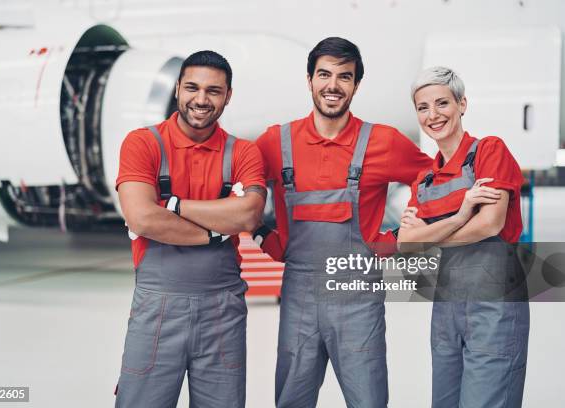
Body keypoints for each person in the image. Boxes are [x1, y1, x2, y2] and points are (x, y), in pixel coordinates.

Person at [254, 37, 433, 408]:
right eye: (324, 74)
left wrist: (401, 234)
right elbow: (240, 188)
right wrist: (264, 238)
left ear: (356, 85)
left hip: (357, 297)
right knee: (291, 400)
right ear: (309, 80)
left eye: (344, 77)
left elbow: (432, 178)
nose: (333, 85)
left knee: (368, 400)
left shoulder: (383, 141)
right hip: (298, 296)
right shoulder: (276, 141)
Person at [114, 50, 266, 408]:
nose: (201, 99)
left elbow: (247, 216)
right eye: (192, 88)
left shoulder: (244, 153)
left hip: (222, 313)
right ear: (178, 88)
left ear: (228, 96)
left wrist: (174, 205)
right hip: (156, 309)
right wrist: (214, 231)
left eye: (214, 91)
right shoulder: (143, 143)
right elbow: (142, 218)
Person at [398, 66, 529, 408]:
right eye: (423, 107)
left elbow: (489, 225)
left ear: (462, 104)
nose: (433, 115)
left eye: (442, 103)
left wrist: (427, 234)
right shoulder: (425, 180)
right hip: (446, 307)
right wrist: (460, 215)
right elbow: (405, 246)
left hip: (494, 303)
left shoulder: (489, 151)